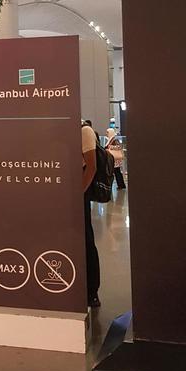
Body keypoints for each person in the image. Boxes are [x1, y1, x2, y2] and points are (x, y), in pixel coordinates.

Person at [81, 122, 101, 308]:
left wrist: (78, 193)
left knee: (86, 239)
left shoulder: (84, 131)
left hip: (80, 190)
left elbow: (91, 167)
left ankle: (92, 290)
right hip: (61, 189)